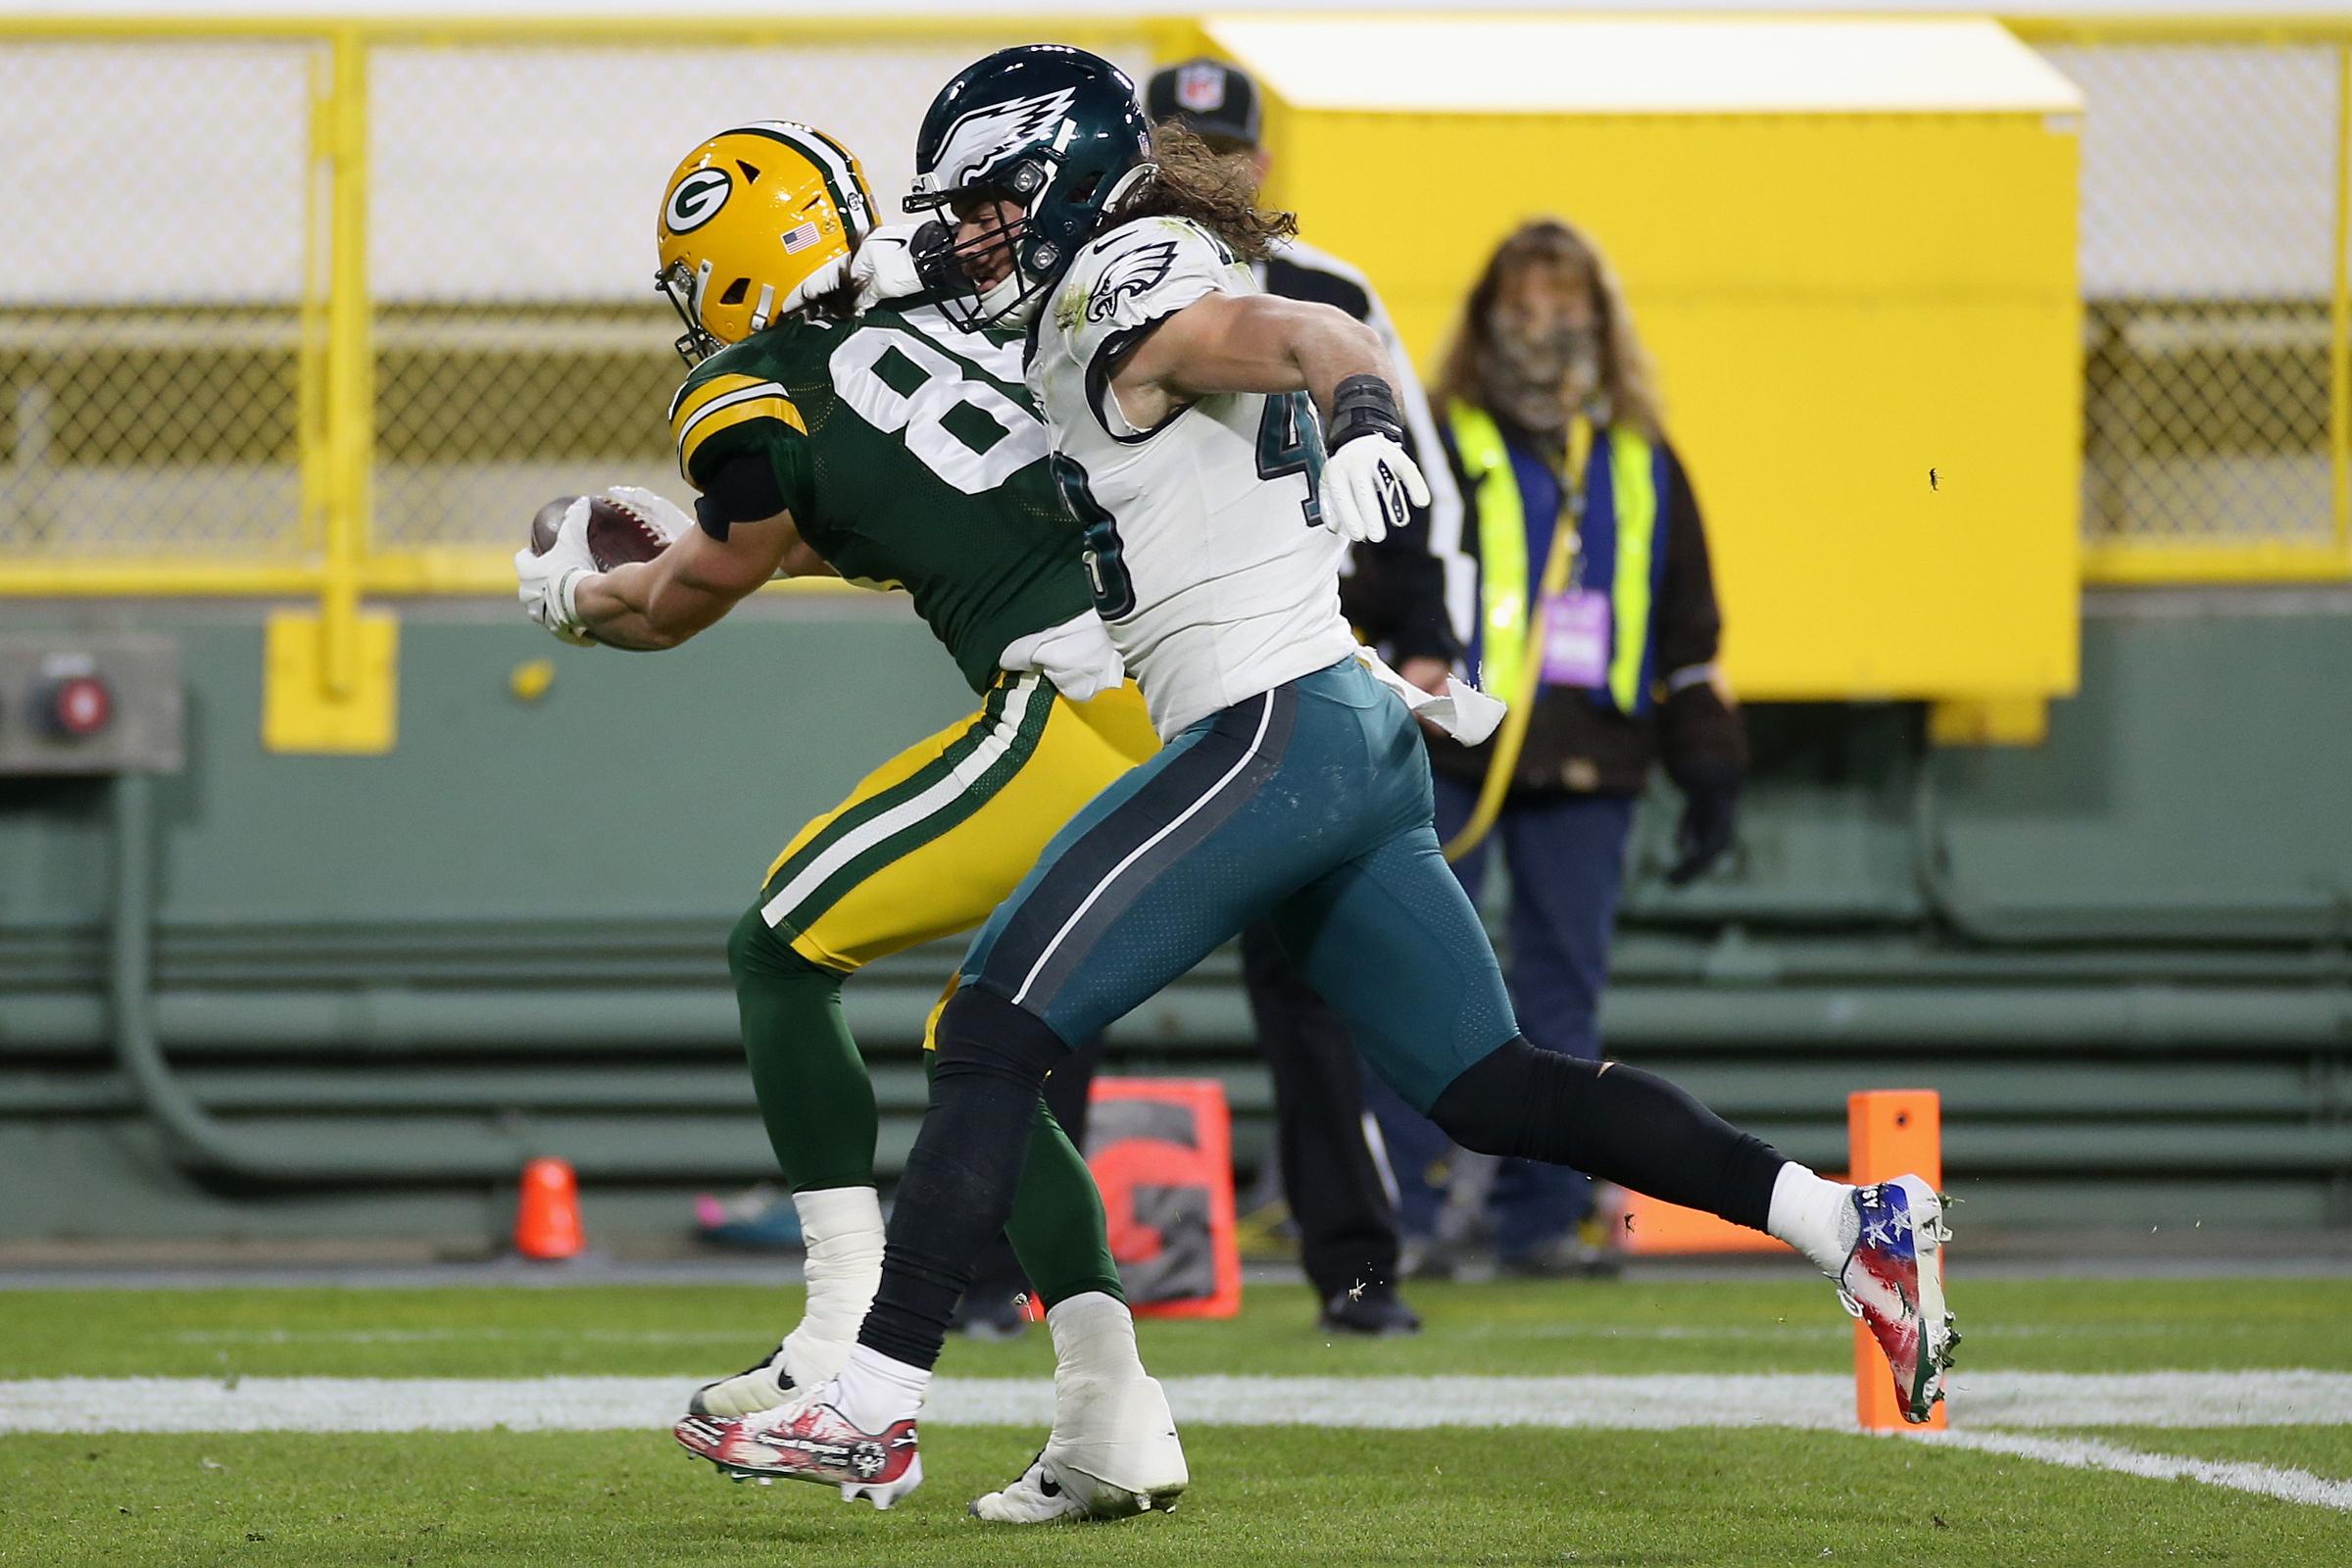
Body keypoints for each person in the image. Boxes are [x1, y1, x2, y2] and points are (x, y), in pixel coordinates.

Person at [685, 47, 1958, 1514]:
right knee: (1490, 1085)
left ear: (1064, 190)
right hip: (1343, 728)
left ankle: (876, 1400)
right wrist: (873, 263)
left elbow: (1295, 328)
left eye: (991, 205)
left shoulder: (1120, 276)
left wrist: (1359, 405)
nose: (968, 233)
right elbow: (942, 309)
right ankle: (1844, 1221)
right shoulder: (1069, 275)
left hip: (1268, 728)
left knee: (988, 1029)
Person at [514, 119, 1187, 1520]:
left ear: (732, 266)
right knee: (979, 1045)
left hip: (1071, 700)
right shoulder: (952, 306)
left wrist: (584, 601)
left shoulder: (750, 386)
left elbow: (696, 598)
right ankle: (1113, 1410)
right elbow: (908, 503)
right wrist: (723, 542)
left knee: (780, 945)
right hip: (1189, 681)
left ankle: (838, 1325)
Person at [1143, 54, 1462, 1337]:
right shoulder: (1082, 295)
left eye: (1218, 150)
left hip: (1285, 659)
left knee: (1318, 978)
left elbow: (1411, 466)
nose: (1199, 168)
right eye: (1175, 145)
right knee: (1052, 964)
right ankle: (1017, 1271)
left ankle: (1355, 1261)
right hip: (1134, 663)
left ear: (1259, 164)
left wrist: (1430, 642)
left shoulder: (1325, 291)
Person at [1370, 218, 1749, 1279]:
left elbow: (1687, 629)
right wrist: (1410, 662)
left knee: (1565, 995)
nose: (1543, 330)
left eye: (1564, 308)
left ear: (1601, 319)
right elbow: (1377, 575)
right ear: (1488, 321)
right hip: (1452, 755)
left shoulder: (1641, 457)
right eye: (1522, 310)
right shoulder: (1437, 438)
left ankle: (1543, 1219)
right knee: (1419, 978)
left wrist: (1708, 763)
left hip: (1594, 759)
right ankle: (1401, 1216)